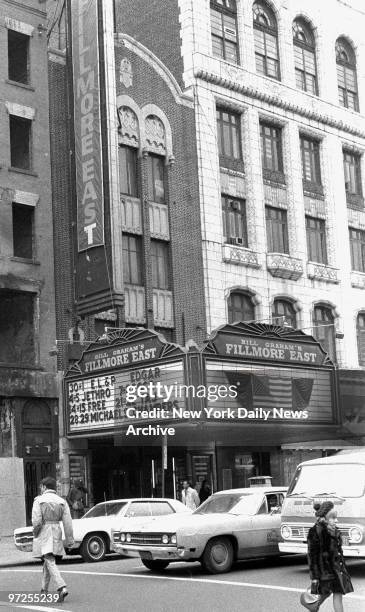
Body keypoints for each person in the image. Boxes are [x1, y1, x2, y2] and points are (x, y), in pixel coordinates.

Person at [302, 500, 354, 612]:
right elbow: (312, 556)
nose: (336, 521)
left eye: (336, 518)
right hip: (324, 573)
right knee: (318, 599)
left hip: (337, 570)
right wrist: (315, 577)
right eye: (333, 518)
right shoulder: (315, 531)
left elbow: (338, 552)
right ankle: (312, 607)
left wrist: (342, 567)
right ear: (324, 518)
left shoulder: (335, 531)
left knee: (338, 595)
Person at [32, 476, 74, 602]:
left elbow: (36, 521)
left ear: (44, 487)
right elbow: (68, 523)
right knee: (48, 560)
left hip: (44, 530)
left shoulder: (39, 500)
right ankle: (43, 591)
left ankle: (61, 587)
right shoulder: (62, 501)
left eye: (41, 486)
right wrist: (70, 539)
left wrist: (35, 533)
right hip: (57, 529)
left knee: (48, 559)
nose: (40, 488)